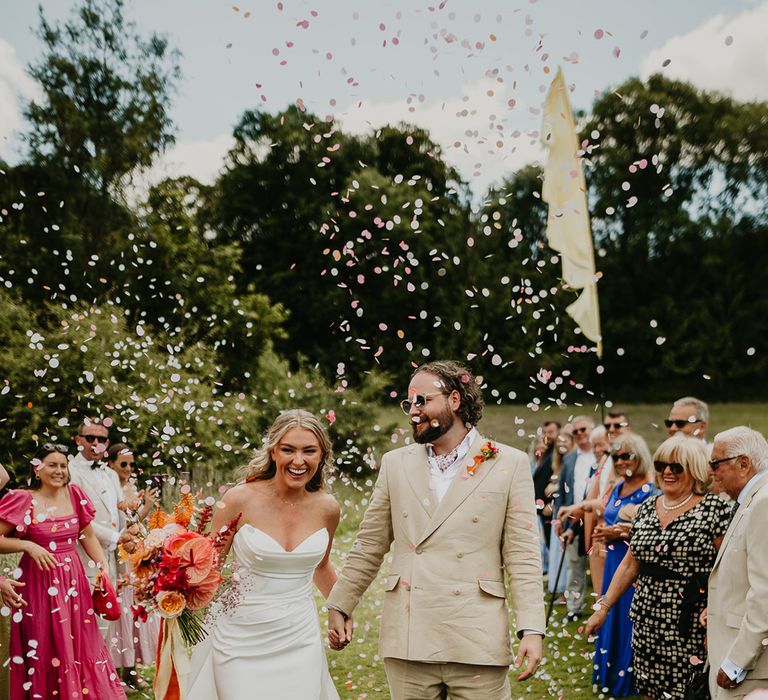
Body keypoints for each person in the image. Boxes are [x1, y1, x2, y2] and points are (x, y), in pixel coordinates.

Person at [327, 360, 545, 700]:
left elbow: (522, 554)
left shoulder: (509, 463)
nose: (413, 411)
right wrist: (339, 604)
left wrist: (532, 628)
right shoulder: (395, 464)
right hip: (410, 635)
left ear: (455, 400)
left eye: (422, 401)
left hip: (476, 635)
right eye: (409, 403)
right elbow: (370, 543)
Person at [187, 409, 343, 700]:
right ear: (273, 452)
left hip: (299, 635)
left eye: (309, 451)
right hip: (238, 636)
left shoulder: (328, 508)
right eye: (288, 450)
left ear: (322, 455)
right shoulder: (238, 499)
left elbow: (321, 568)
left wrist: (341, 610)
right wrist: (170, 586)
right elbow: (209, 567)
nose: (299, 461)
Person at [585, 435, 731, 699]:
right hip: (646, 618)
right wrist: (602, 608)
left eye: (676, 467)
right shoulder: (647, 509)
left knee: (687, 691)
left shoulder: (715, 509)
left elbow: (729, 568)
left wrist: (717, 610)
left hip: (691, 621)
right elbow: (630, 564)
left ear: (695, 470)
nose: (666, 472)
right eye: (661, 464)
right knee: (649, 689)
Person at [0, 443, 126, 699]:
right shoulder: (23, 499)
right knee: (45, 646)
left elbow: (87, 534)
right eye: (52, 465)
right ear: (37, 469)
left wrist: (102, 565)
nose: (59, 471)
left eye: (63, 465)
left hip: (74, 583)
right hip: (37, 585)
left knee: (82, 645)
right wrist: (28, 545)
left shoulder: (75, 494)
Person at [589, 432, 656, 697]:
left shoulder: (650, 491)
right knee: (610, 613)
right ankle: (607, 675)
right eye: (615, 457)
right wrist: (604, 530)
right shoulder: (617, 487)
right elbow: (609, 514)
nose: (619, 461)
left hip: (632, 563)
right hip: (613, 562)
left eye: (625, 456)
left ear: (639, 457)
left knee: (628, 619)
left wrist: (620, 533)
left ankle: (627, 680)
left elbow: (651, 530)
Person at [705, 426, 768, 697]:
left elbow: (765, 592)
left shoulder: (763, 503)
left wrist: (736, 662)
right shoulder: (750, 501)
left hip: (750, 667)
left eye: (716, 463)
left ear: (744, 464)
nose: (711, 471)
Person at [106, 442, 159, 690]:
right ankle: (113, 671)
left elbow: (134, 525)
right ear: (111, 463)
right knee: (119, 613)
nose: (128, 469)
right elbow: (120, 527)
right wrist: (145, 508)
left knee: (132, 610)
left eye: (131, 464)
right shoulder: (108, 489)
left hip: (132, 558)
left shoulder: (130, 487)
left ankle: (130, 669)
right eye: (123, 464)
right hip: (115, 557)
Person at [553, 416, 595, 621]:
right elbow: (561, 492)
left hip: (595, 519)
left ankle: (601, 609)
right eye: (575, 432)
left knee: (597, 566)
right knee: (574, 566)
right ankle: (574, 608)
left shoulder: (602, 457)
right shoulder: (569, 459)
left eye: (583, 430)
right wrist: (557, 519)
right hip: (572, 519)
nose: (579, 434)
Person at [545, 429, 573, 599]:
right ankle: (559, 589)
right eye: (559, 442)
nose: (562, 445)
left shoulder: (572, 462)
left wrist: (554, 489)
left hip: (567, 512)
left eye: (565, 441)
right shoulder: (558, 464)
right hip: (557, 512)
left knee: (567, 556)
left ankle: (567, 593)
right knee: (556, 552)